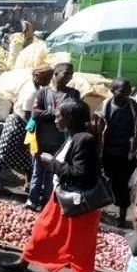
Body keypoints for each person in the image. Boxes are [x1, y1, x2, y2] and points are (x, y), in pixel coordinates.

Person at [0, 100, 102, 272]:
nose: (55, 119)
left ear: (70, 118)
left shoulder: (85, 140)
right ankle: (22, 264)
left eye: (58, 115)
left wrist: (51, 163)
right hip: (62, 197)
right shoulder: (73, 136)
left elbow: (80, 174)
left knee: (79, 245)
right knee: (42, 229)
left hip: (79, 205)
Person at [96, 77, 137, 228]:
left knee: (123, 186)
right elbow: (97, 130)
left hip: (127, 154)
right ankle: (100, 213)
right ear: (112, 91)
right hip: (107, 153)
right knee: (104, 182)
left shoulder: (136, 107)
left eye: (128, 90)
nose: (126, 94)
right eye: (122, 91)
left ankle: (121, 217)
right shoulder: (104, 107)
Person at [27, 63, 81, 211]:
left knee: (53, 173)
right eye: (66, 73)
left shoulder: (73, 94)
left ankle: (47, 204)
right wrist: (58, 112)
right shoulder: (43, 93)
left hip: (61, 141)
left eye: (71, 74)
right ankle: (32, 201)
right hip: (41, 138)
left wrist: (50, 114)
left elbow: (72, 114)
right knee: (38, 171)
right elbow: (35, 114)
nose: (69, 77)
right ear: (56, 74)